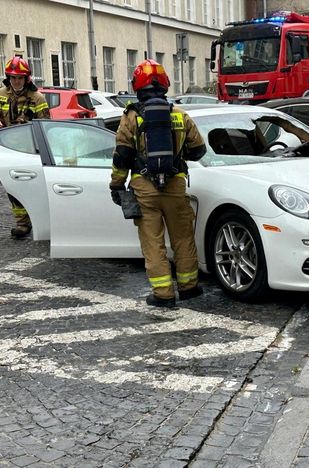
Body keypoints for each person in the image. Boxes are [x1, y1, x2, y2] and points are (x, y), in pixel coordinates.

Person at [110, 59, 207, 308]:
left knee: (153, 242)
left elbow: (122, 156)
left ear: (137, 86)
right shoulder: (179, 115)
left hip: (145, 188)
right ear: (165, 84)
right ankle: (189, 287)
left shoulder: (131, 117)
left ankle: (163, 294)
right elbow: (198, 151)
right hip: (175, 186)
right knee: (183, 238)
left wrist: (116, 185)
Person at [0, 56, 50, 239]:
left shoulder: (37, 98)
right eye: (13, 77)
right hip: (7, 147)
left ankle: (42, 220)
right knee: (12, 187)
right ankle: (22, 223)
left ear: (26, 78)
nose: (17, 81)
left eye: (20, 78)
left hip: (31, 149)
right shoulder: (0, 95)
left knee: (35, 186)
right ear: (8, 77)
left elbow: (45, 123)